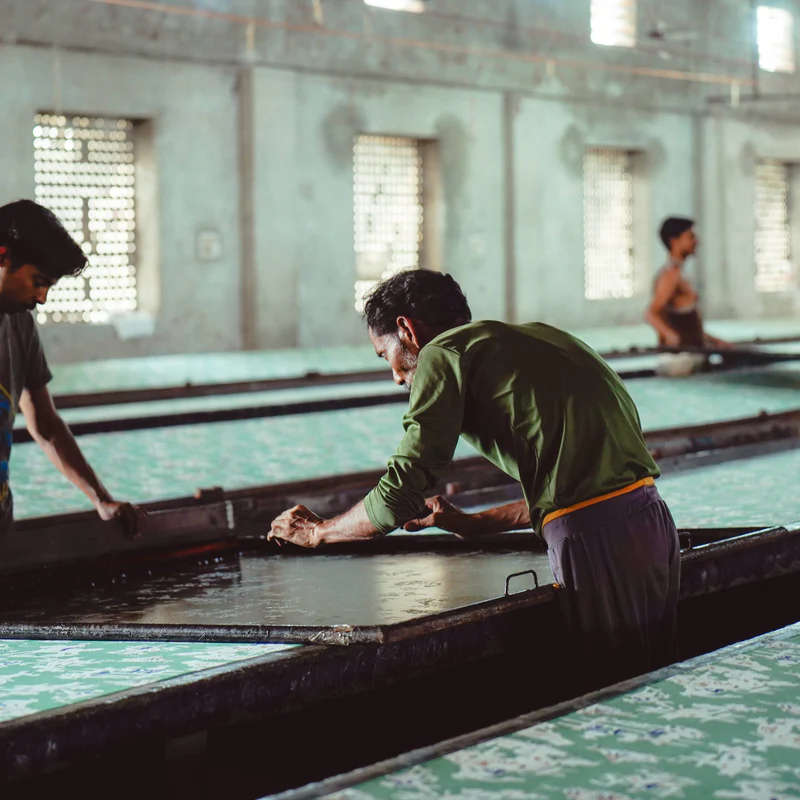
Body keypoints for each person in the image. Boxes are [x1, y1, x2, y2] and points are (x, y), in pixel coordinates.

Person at [269, 269, 680, 688]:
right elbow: (586, 488)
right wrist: (473, 523)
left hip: (596, 544)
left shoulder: (441, 354)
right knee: (650, 692)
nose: (395, 376)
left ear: (406, 329)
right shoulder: (542, 339)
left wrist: (319, 532)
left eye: (383, 355)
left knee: (611, 700)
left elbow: (401, 492)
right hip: (653, 524)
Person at [0, 199, 144, 539]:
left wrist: (101, 499)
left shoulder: (20, 327)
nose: (42, 298)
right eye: (38, 281)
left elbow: (46, 425)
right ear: (3, 255)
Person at [646, 216, 728, 351]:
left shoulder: (680, 274)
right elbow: (651, 314)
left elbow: (688, 326)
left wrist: (716, 341)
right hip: (680, 359)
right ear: (674, 241)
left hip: (693, 354)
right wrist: (670, 336)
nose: (696, 241)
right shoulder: (670, 276)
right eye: (691, 237)